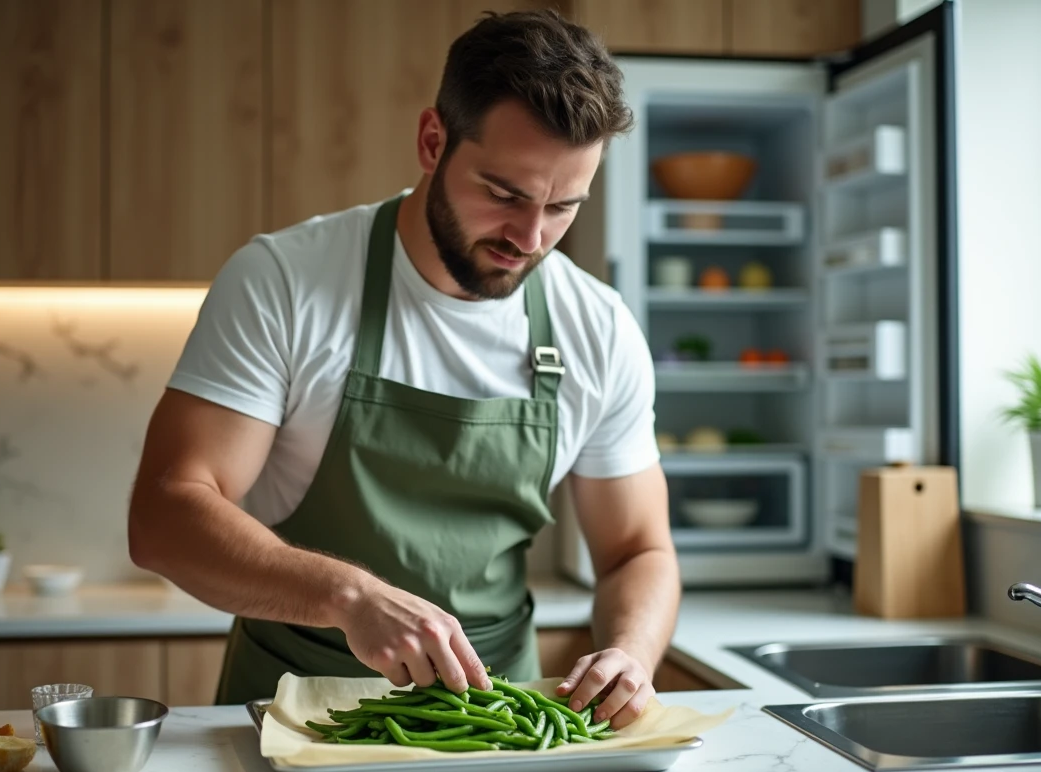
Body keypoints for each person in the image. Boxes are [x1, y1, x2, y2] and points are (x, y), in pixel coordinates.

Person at [128, 8, 679, 730]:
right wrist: (346, 597)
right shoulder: (286, 281)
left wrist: (632, 654)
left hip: (498, 726)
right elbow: (166, 514)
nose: (530, 237)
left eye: (563, 208)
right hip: (296, 717)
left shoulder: (597, 327)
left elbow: (639, 549)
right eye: (505, 195)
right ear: (431, 142)